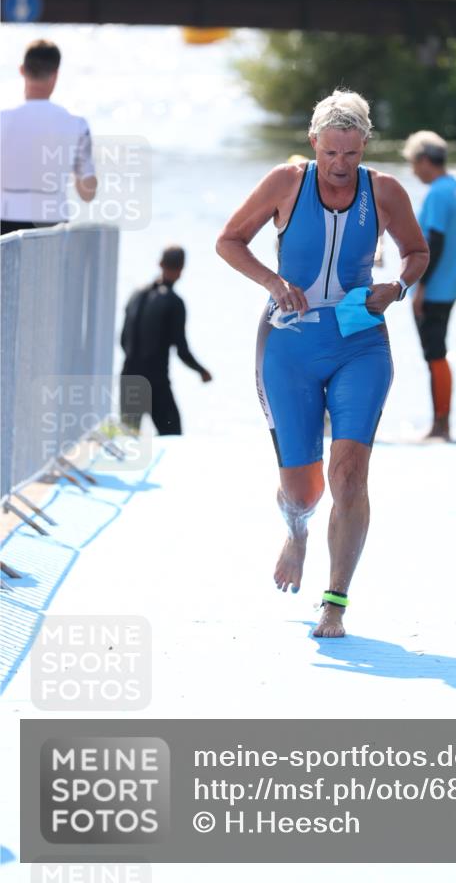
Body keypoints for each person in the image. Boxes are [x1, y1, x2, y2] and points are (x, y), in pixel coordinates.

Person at [216, 90, 429, 638]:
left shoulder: (384, 192)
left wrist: (398, 286)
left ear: (365, 148)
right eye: (331, 153)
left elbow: (417, 251)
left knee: (350, 471)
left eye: (351, 155)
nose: (339, 166)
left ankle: (335, 601)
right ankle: (297, 529)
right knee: (302, 491)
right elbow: (229, 240)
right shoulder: (286, 183)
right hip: (289, 345)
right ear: (313, 144)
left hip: (360, 341)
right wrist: (274, 282)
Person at [402, 131, 456, 441]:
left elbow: (436, 242)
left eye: (414, 164)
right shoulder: (455, 188)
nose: (414, 171)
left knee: (434, 352)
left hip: (436, 287)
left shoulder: (438, 193)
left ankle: (441, 425)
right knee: (436, 351)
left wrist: (422, 287)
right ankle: (442, 422)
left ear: (426, 160)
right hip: (450, 282)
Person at [1, 39, 97, 235]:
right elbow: (88, 193)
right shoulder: (77, 124)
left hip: (4, 219)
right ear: (55, 75)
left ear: (22, 70)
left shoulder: (3, 119)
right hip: (52, 223)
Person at [120, 246, 212, 436]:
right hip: (155, 382)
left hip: (128, 377)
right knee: (172, 435)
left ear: (160, 263)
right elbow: (182, 351)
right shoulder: (174, 303)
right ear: (181, 269)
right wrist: (201, 371)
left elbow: (122, 340)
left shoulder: (136, 294)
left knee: (128, 438)